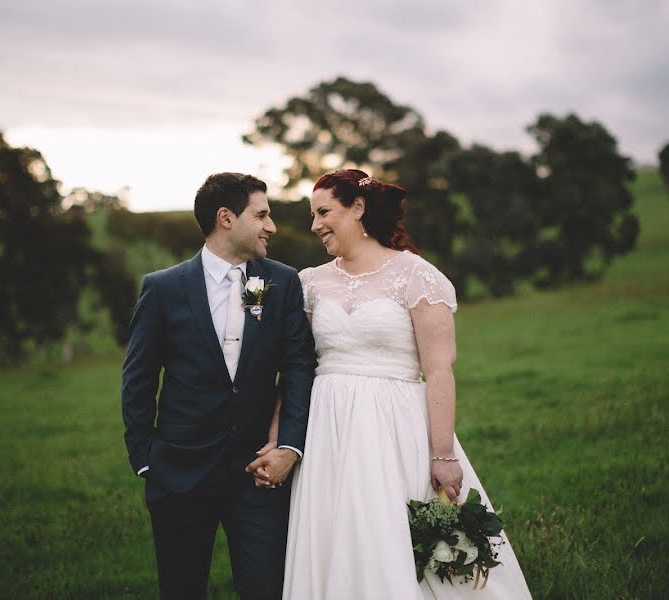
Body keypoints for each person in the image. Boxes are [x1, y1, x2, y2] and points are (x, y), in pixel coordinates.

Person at [281, 169, 532, 599]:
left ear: (357, 208)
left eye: (324, 212)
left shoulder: (417, 277)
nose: (315, 224)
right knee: (337, 536)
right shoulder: (310, 282)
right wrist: (280, 439)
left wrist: (443, 454)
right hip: (328, 430)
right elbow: (296, 367)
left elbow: (439, 370)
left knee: (400, 539)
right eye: (313, 215)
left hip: (394, 428)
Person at [121, 172, 316, 599]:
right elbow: (138, 376)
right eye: (262, 215)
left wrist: (289, 445)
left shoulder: (281, 281)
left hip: (259, 473)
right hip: (179, 472)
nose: (272, 226)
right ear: (226, 218)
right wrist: (146, 459)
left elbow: (299, 365)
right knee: (181, 588)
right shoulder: (163, 288)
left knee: (267, 589)